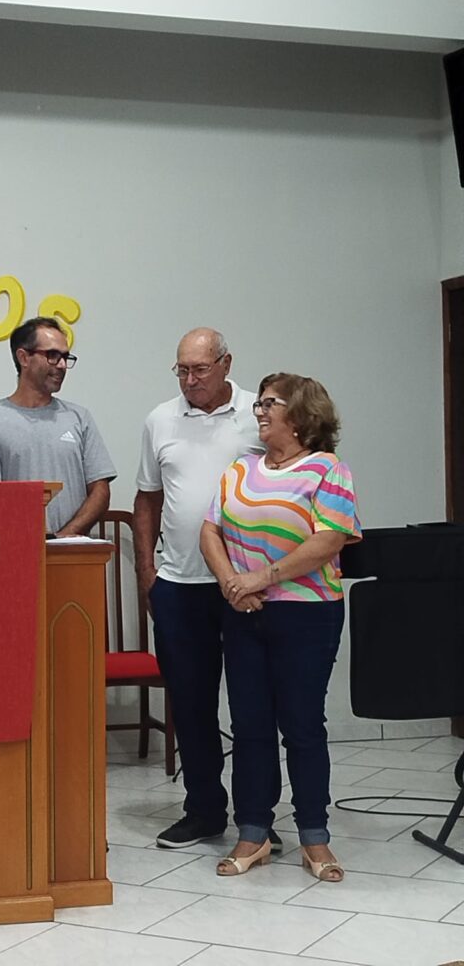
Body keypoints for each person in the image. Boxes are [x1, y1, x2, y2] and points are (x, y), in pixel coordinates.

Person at [200, 373, 361, 881]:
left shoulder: (327, 469)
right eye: (261, 403)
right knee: (249, 726)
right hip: (244, 612)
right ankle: (254, 833)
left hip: (307, 614)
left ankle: (315, 836)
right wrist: (232, 584)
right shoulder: (240, 469)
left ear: (302, 413)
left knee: (303, 726)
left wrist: (261, 578)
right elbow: (210, 530)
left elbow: (328, 540)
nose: (260, 410)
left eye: (272, 403)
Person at [133, 328, 283, 850]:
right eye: (182, 370)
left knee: (253, 706)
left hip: (246, 586)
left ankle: (257, 818)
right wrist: (147, 572)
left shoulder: (258, 414)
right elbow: (147, 498)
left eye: (199, 369)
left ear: (226, 364)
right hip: (178, 585)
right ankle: (203, 811)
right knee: (192, 705)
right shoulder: (160, 420)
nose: (190, 380)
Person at [0, 317, 115, 536]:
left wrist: (62, 539)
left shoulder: (79, 418)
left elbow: (100, 491)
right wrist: (29, 544)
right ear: (24, 357)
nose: (62, 365)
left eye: (65, 357)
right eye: (52, 355)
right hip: (13, 550)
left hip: (72, 552)